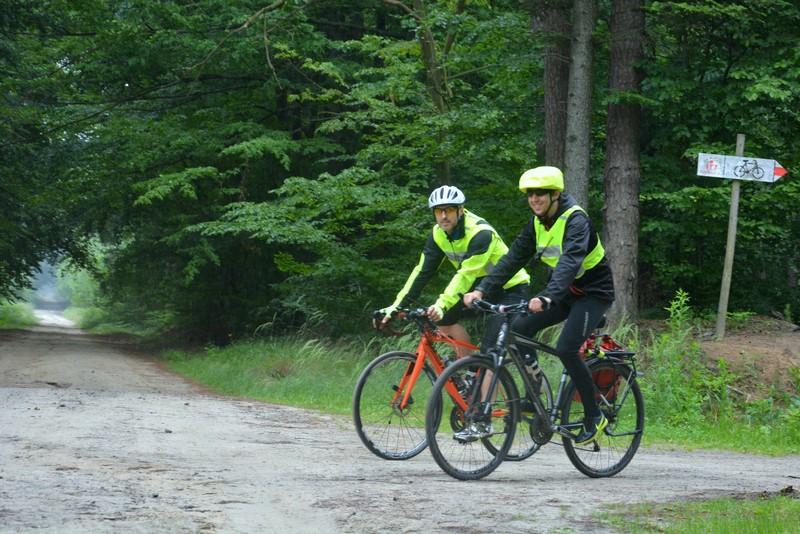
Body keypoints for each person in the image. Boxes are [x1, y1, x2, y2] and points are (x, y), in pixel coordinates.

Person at [463, 166, 615, 444]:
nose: (534, 199)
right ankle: (535, 394)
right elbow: (512, 259)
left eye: (540, 194)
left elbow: (570, 261)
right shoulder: (537, 222)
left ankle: (594, 415)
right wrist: (482, 289)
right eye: (530, 194)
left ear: (555, 194)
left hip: (593, 293)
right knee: (519, 331)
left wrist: (547, 297)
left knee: (566, 348)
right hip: (564, 292)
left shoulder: (576, 220)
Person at [375, 185, 530, 357]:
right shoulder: (438, 233)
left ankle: (489, 367)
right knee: (443, 322)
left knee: (489, 352)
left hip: (510, 287)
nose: (443, 216)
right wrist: (397, 306)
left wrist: (441, 305)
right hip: (478, 286)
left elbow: (465, 275)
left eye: (448, 210)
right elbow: (422, 272)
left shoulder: (480, 233)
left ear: (460, 210)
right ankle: (468, 368)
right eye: (438, 211)